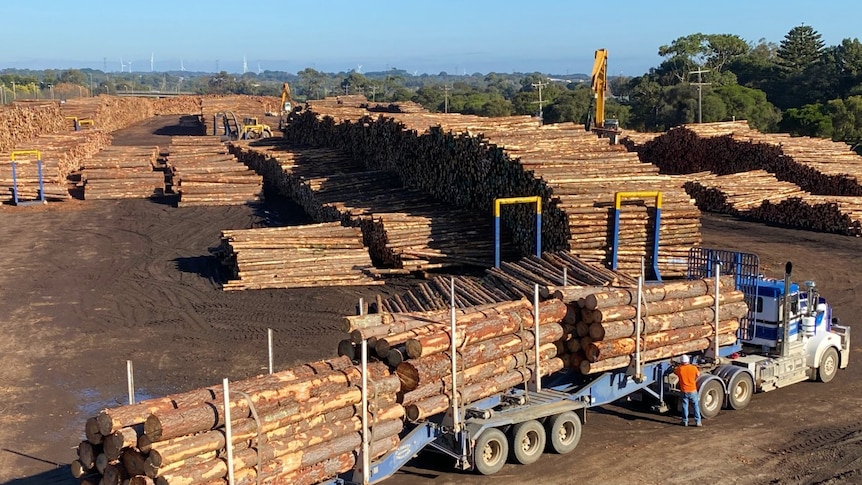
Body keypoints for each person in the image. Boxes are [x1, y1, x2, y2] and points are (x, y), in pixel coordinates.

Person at [674, 354, 702, 427]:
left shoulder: (680, 369)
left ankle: (685, 421)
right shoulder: (693, 368)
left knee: (685, 405)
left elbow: (675, 372)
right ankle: (698, 421)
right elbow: (698, 374)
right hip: (693, 390)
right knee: (695, 405)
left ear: (681, 362)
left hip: (684, 391)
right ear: (688, 361)